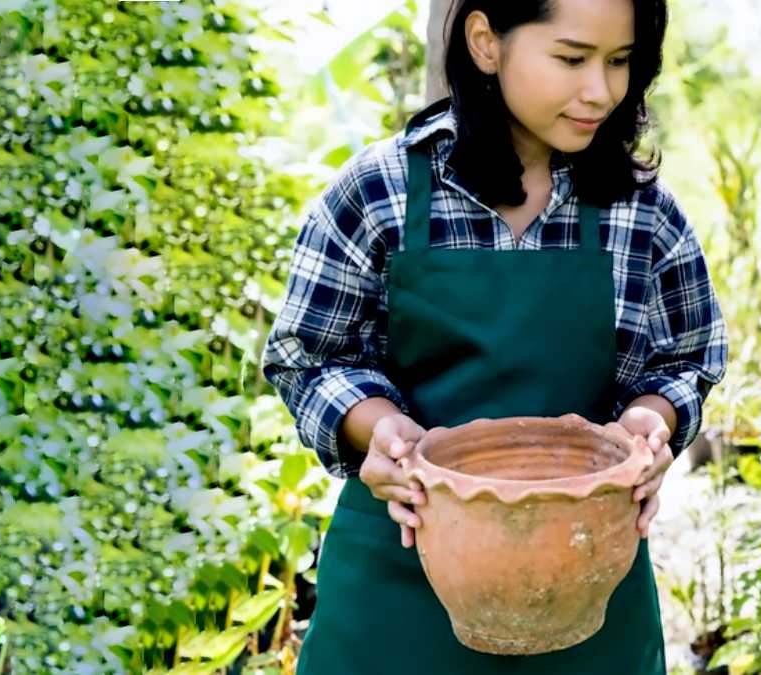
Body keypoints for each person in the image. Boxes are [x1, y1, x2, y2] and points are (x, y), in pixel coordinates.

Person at [261, 0, 727, 672]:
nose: (601, 89)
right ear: (486, 43)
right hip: (397, 593)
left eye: (620, 62)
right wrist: (381, 427)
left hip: (586, 582)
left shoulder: (642, 211)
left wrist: (648, 426)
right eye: (571, 58)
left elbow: (684, 360)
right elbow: (309, 354)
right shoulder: (379, 193)